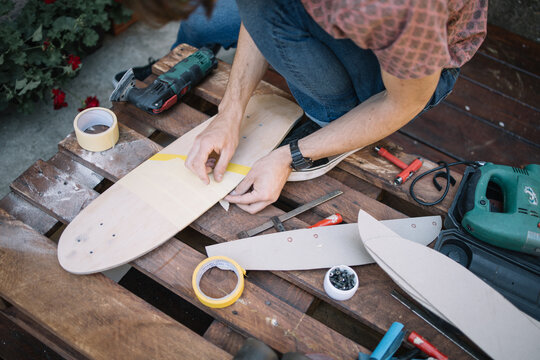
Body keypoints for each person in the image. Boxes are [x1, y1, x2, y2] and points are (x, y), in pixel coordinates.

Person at [126, 0, 487, 214]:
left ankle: (329, 123)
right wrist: (229, 112)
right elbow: (259, 12)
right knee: (199, 24)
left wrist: (288, 157)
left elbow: (403, 102)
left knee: (330, 106)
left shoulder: (393, 9)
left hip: (409, 79)